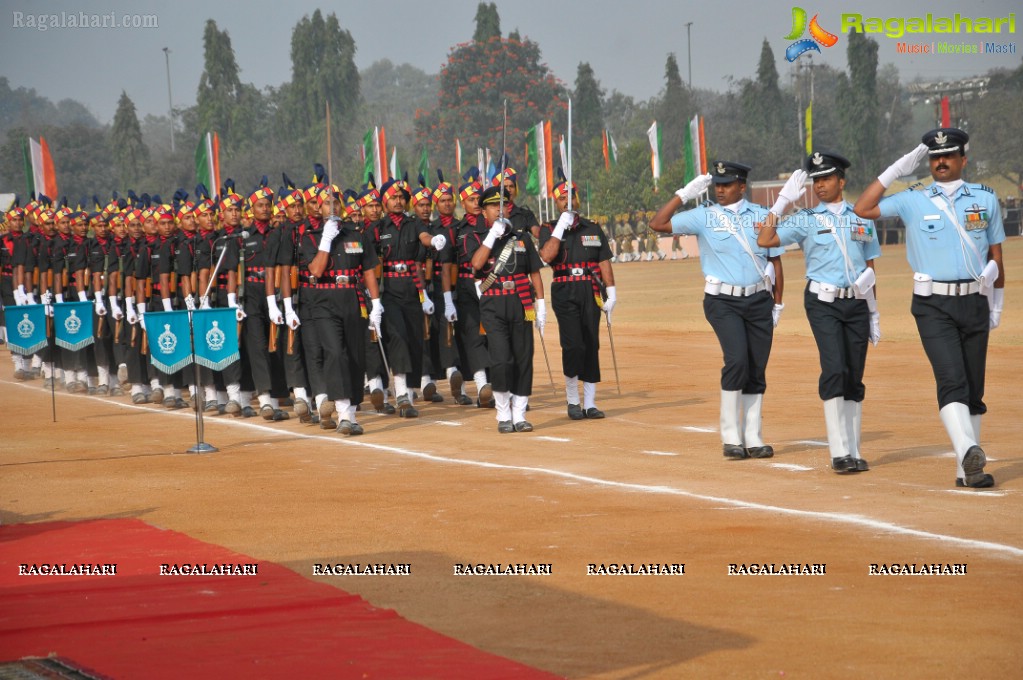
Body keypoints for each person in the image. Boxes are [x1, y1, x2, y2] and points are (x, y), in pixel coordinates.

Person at [853, 127, 1004, 489]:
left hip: (975, 300)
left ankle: (967, 470)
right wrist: (894, 172)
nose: (940, 161)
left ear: (963, 159)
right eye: (935, 157)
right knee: (951, 378)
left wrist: (997, 303)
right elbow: (862, 208)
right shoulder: (912, 198)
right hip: (932, 304)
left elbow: (996, 253)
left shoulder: (986, 197)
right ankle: (969, 449)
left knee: (973, 388)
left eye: (948, 155)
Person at [651, 161, 785, 460]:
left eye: (727, 185)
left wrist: (777, 302)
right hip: (722, 302)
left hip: (759, 300)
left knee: (756, 367)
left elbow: (775, 261)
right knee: (737, 360)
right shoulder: (704, 216)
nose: (720, 190)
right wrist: (683, 194)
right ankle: (730, 436)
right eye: (717, 185)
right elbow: (658, 224)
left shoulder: (763, 216)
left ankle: (753, 436)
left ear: (742, 186)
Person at [757, 151, 880, 473]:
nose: (820, 185)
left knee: (854, 375)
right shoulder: (806, 219)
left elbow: (869, 266)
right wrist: (783, 201)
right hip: (822, 302)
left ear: (842, 180)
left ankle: (853, 450)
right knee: (835, 368)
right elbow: (764, 238)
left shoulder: (862, 215)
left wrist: (874, 311)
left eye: (826, 178)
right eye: (816, 180)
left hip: (856, 303)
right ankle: (839, 452)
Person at [538, 173, 616, 420]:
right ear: (556, 202)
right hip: (564, 288)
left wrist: (612, 292)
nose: (567, 201)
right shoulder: (548, 229)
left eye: (570, 196)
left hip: (590, 289)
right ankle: (573, 399)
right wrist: (561, 226)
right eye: (562, 198)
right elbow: (546, 257)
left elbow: (603, 260)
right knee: (573, 344)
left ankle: (590, 403)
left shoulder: (592, 227)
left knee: (591, 343)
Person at [469, 185, 546, 432]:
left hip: (521, 302)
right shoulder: (477, 237)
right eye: (493, 206)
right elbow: (476, 264)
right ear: (484, 211)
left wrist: (542, 305)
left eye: (503, 205)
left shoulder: (521, 238)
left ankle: (520, 414)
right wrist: (492, 235)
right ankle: (503, 414)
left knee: (524, 359)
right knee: (501, 359)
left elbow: (534, 272)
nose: (499, 210)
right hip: (493, 303)